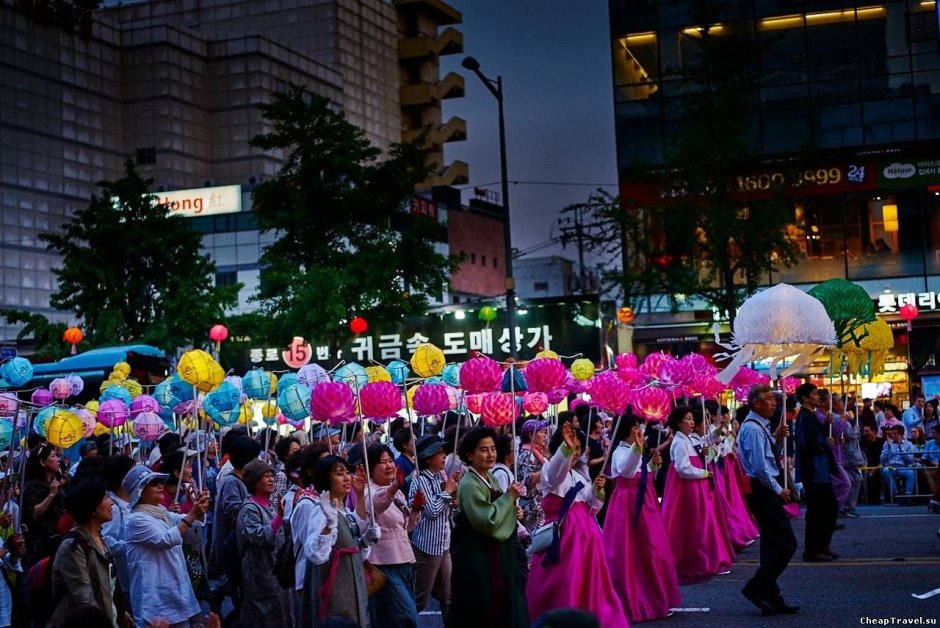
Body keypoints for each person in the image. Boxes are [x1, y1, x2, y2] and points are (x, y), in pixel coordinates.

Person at [525, 422, 625, 626]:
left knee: (589, 585)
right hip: (563, 542)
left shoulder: (578, 475)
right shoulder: (549, 473)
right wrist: (566, 449)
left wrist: (599, 490)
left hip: (586, 542)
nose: (576, 452)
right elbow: (556, 471)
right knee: (566, 584)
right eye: (571, 446)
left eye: (578, 448)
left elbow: (593, 506)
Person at [449, 426, 528, 628]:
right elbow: (488, 521)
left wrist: (513, 510)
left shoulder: (489, 478)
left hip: (495, 554)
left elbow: (499, 508)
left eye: (492, 449)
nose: (490, 454)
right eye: (483, 450)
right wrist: (509, 498)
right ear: (470, 455)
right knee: (483, 609)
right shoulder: (469, 483)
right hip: (479, 556)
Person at [603, 414, 679, 622]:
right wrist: (638, 448)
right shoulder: (620, 451)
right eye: (635, 426)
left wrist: (655, 465)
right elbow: (627, 473)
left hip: (645, 502)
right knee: (632, 551)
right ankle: (634, 601)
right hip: (629, 505)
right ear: (627, 429)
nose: (639, 430)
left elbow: (643, 474)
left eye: (639, 426)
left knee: (652, 550)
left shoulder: (634, 448)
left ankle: (654, 597)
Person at [737, 385, 800, 615]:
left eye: (775, 400)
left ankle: (772, 598)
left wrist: (775, 437)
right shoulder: (753, 429)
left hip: (764, 488)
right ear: (755, 403)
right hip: (764, 489)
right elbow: (760, 467)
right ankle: (755, 587)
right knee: (786, 543)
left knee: (772, 545)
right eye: (769, 400)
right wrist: (778, 489)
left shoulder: (761, 426)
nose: (774, 403)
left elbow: (764, 454)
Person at [296, 455, 378, 627]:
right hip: (335, 590)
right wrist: (329, 526)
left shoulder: (344, 510)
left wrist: (366, 541)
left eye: (347, 472)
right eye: (339, 473)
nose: (347, 477)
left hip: (351, 585)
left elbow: (354, 546)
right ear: (326, 478)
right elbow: (316, 554)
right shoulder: (321, 511)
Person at [125, 464, 210, 628]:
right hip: (154, 600)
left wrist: (199, 506)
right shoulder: (136, 520)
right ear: (140, 492)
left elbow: (187, 521)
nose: (160, 486)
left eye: (160, 482)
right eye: (153, 483)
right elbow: (165, 539)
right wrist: (193, 514)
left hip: (175, 593)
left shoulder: (162, 513)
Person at [661, 406, 734, 582]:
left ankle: (702, 561)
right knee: (694, 527)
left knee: (698, 526)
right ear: (679, 423)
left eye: (692, 418)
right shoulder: (679, 442)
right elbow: (682, 468)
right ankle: (698, 563)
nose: (692, 422)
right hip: (688, 490)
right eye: (688, 418)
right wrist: (704, 473)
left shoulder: (686, 440)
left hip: (694, 488)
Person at [358, 443, 421, 628]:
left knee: (394, 619)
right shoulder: (369, 492)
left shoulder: (398, 492)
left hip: (404, 561)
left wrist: (416, 509)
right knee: (407, 618)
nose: (389, 466)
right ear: (370, 467)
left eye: (390, 461)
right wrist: (393, 487)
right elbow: (378, 504)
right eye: (382, 462)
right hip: (384, 565)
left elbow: (407, 527)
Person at [50, 479, 127, 627]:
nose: (111, 503)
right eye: (105, 498)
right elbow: (84, 599)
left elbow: (108, 588)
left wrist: (121, 614)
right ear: (92, 509)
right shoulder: (74, 546)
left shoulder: (100, 539)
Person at [408, 435, 459, 619]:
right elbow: (431, 512)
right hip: (427, 548)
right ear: (428, 458)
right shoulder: (420, 480)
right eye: (440, 453)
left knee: (447, 598)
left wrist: (452, 495)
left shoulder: (439, 478)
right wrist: (448, 491)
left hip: (443, 545)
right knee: (419, 600)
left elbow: (446, 510)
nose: (444, 457)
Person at [236, 459, 291, 627]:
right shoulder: (249, 509)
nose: (271, 480)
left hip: (276, 569)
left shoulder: (271, 504)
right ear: (254, 481)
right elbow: (260, 536)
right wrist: (279, 518)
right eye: (265, 476)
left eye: (271, 475)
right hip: (260, 573)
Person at [210, 436, 262, 585]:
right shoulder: (231, 481)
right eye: (255, 457)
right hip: (233, 543)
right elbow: (235, 511)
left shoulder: (244, 478)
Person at [100, 454, 137, 615]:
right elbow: (107, 541)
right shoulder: (113, 507)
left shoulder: (133, 500)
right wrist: (133, 546)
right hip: (127, 575)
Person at [22, 442, 66, 560]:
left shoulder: (56, 483)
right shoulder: (32, 487)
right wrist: (51, 495)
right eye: (53, 456)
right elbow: (34, 515)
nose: (57, 460)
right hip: (43, 543)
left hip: (61, 539)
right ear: (42, 462)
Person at [517, 419, 549, 534]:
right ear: (531, 435)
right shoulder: (527, 454)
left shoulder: (538, 452)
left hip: (541, 505)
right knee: (537, 541)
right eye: (541, 432)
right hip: (533, 507)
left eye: (545, 432)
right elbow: (527, 479)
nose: (545, 435)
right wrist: (550, 469)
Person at [880, 425, 916, 501]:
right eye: (892, 433)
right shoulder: (887, 444)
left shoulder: (908, 444)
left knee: (911, 473)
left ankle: (908, 497)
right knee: (885, 471)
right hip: (891, 467)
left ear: (901, 434)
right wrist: (889, 448)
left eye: (895, 433)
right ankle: (896, 494)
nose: (892, 435)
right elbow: (882, 460)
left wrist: (901, 448)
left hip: (903, 467)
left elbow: (910, 460)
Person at [840, 408, 865, 518]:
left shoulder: (844, 419)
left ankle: (849, 506)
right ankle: (846, 506)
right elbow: (848, 434)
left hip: (852, 455)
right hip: (847, 455)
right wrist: (856, 430)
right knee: (849, 481)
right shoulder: (839, 419)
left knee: (856, 478)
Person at [274, 436, 301, 504]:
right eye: (295, 450)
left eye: (299, 449)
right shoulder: (282, 475)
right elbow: (277, 501)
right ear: (285, 454)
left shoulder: (298, 470)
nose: (299, 453)